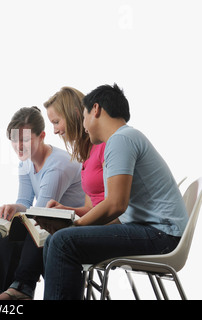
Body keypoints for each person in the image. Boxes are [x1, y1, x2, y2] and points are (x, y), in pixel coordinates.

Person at [39, 84, 188, 300]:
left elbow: (116, 205)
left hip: (163, 235)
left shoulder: (121, 139)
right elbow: (119, 213)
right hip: (155, 231)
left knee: (63, 241)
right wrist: (72, 225)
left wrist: (77, 226)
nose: (83, 125)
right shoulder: (119, 141)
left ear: (96, 110)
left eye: (83, 116)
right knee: (58, 239)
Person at [0, 106, 85, 300]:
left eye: (26, 140)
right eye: (14, 140)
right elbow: (25, 202)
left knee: (30, 223)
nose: (19, 146)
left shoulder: (58, 165)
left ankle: (22, 288)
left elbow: (42, 211)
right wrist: (13, 208)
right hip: (46, 221)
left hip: (69, 225)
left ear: (42, 136)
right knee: (2, 225)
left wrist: (21, 213)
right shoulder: (26, 162)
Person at [43, 86, 105, 214]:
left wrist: (77, 225)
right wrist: (64, 211)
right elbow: (90, 209)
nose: (55, 131)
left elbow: (115, 207)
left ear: (75, 114)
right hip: (98, 222)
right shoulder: (87, 154)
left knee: (60, 235)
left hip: (112, 224)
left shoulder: (104, 146)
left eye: (56, 122)